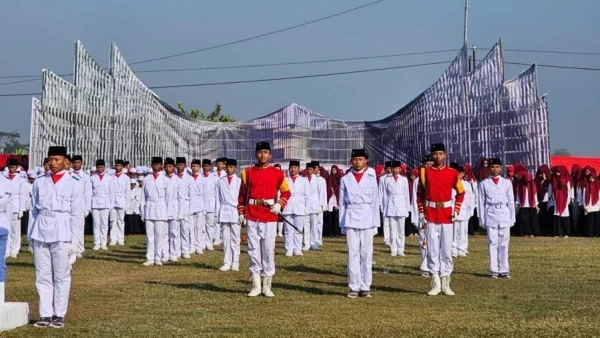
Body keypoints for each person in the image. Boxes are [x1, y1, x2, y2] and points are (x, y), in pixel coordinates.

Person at [29, 146, 82, 328]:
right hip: (41, 229)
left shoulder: (74, 183)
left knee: (61, 275)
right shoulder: (40, 182)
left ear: (65, 162)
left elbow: (76, 215)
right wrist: (30, 237)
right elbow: (33, 211)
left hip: (62, 229)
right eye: (50, 159)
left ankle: (59, 314)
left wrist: (75, 244)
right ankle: (45, 314)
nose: (52, 163)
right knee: (42, 275)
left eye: (57, 159)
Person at [238, 141, 290, 297]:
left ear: (270, 155)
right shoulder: (247, 172)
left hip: (269, 216)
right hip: (253, 214)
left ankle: (267, 285)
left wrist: (279, 204)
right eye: (260, 152)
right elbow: (242, 195)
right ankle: (256, 285)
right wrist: (241, 212)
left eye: (266, 152)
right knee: (253, 250)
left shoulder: (278, 173)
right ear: (256, 154)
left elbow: (286, 193)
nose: (263, 155)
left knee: (268, 251)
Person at [417, 143, 464, 296]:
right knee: (432, 249)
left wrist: (456, 209)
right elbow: (420, 194)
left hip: (447, 214)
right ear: (432, 155)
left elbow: (461, 192)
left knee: (446, 249)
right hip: (431, 214)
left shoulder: (452, 173)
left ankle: (446, 280)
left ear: (445, 155)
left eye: (440, 154)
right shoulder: (425, 172)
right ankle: (435, 280)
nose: (438, 157)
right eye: (435, 154)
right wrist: (422, 213)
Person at [339, 149, 379, 298]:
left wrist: (376, 223)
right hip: (351, 217)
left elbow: (375, 200)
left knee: (366, 254)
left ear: (365, 161)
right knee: (353, 253)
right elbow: (342, 203)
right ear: (351, 161)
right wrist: (342, 224)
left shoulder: (371, 176)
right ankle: (354, 286)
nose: (358, 162)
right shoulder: (345, 179)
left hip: (368, 216)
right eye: (355, 159)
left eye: (360, 159)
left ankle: (366, 286)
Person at [478, 158, 515, 279]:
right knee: (492, 242)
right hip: (491, 212)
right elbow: (481, 203)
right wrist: (481, 219)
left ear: (501, 168)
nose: (495, 169)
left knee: (504, 242)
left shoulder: (506, 183)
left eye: (497, 167)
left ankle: (504, 269)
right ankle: (493, 269)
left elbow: (510, 201)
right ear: (489, 168)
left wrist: (512, 217)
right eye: (493, 167)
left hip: (504, 212)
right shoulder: (484, 183)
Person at [140, 157, 168, 266]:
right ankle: (150, 258)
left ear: (161, 166)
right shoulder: (147, 178)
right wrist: (142, 211)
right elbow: (143, 196)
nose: (156, 167)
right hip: (149, 208)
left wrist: (167, 212)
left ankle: (158, 257)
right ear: (152, 165)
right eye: (154, 165)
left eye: (158, 165)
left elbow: (168, 197)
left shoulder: (165, 179)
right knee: (149, 235)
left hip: (161, 208)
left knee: (159, 235)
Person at [216, 159, 242, 271]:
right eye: (228, 167)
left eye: (232, 167)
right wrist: (218, 213)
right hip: (224, 210)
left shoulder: (239, 181)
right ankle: (227, 262)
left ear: (235, 168)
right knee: (226, 238)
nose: (229, 169)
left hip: (235, 210)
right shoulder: (221, 181)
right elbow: (218, 199)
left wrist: (242, 213)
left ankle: (235, 262)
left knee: (235, 238)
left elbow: (242, 199)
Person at [379, 160, 410, 257]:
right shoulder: (386, 179)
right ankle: (393, 249)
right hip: (391, 204)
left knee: (401, 229)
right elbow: (383, 193)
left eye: (397, 168)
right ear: (391, 169)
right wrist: (382, 205)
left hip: (401, 204)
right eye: (393, 168)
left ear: (400, 169)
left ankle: (401, 249)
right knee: (393, 228)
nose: (395, 170)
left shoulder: (404, 179)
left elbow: (406, 194)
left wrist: (407, 207)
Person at [282, 160, 310, 257]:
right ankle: (288, 249)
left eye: (295, 167)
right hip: (287, 206)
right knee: (288, 229)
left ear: (299, 169)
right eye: (291, 167)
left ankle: (297, 249)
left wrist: (307, 208)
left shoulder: (304, 180)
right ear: (289, 168)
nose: (293, 169)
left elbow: (307, 195)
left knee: (298, 229)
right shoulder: (285, 180)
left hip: (300, 206)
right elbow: (280, 194)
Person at [4, 159, 27, 258]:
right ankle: (7, 249)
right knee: (6, 229)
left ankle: (15, 250)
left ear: (17, 167)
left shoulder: (21, 178)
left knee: (15, 230)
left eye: (13, 167)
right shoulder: (4, 178)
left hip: (16, 206)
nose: (11, 169)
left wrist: (21, 208)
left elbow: (23, 194)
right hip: (6, 207)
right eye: (9, 167)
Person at [449, 163, 473, 258]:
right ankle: (453, 249)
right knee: (453, 231)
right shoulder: (450, 183)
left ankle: (462, 248)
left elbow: (470, 198)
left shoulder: (466, 184)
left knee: (463, 231)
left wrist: (470, 210)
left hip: (463, 210)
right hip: (452, 209)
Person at [70, 155, 91, 257]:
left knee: (80, 227)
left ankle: (80, 248)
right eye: (74, 163)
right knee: (70, 227)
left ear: (82, 163)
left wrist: (87, 208)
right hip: (71, 204)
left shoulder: (86, 176)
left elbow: (88, 193)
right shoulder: (69, 174)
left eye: (78, 163)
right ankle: (71, 247)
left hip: (81, 204)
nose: (76, 164)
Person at [90, 159, 113, 251]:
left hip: (105, 202)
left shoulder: (109, 178)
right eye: (98, 167)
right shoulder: (92, 178)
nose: (99, 169)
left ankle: (103, 242)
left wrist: (110, 205)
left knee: (104, 224)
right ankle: (96, 242)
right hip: (95, 202)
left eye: (101, 167)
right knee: (96, 223)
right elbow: (90, 192)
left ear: (105, 167)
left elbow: (112, 192)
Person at [163, 158, 181, 263]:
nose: (168, 169)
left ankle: (174, 253)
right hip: (164, 208)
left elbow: (180, 197)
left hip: (174, 208)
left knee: (174, 232)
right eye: (166, 166)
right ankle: (165, 253)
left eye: (170, 166)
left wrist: (180, 211)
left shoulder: (178, 180)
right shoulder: (161, 178)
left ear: (174, 167)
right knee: (164, 233)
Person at [109, 160, 131, 246]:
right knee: (112, 220)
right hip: (112, 201)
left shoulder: (126, 178)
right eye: (116, 165)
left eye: (119, 166)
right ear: (115, 166)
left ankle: (120, 239)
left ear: (122, 167)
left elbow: (128, 192)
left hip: (122, 201)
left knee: (121, 221)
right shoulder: (111, 177)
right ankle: (113, 239)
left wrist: (127, 204)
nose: (118, 167)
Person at [548, 166, 573, 238]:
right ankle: (556, 233)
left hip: (564, 202)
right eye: (556, 172)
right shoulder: (553, 180)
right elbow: (551, 191)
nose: (557, 174)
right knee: (557, 217)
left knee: (565, 217)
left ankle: (566, 233)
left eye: (558, 172)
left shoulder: (566, 180)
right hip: (556, 202)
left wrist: (568, 201)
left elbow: (569, 191)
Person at [176, 157, 193, 259]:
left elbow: (192, 196)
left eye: (181, 165)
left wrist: (190, 210)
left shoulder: (189, 178)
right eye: (178, 165)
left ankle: (185, 250)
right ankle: (177, 250)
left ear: (185, 166)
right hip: (175, 206)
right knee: (175, 230)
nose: (179, 167)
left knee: (185, 230)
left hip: (185, 206)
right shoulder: (172, 177)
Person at [305, 162, 326, 251]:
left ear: (314, 170)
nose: (309, 171)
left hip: (315, 204)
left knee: (314, 225)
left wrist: (321, 205)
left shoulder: (319, 180)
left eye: (311, 169)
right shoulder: (304, 179)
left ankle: (314, 243)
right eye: (308, 169)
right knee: (306, 225)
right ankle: (306, 243)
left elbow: (322, 193)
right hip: (306, 205)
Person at [189, 159, 207, 256]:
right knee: (190, 227)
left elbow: (205, 194)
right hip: (191, 204)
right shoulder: (188, 178)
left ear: (199, 167)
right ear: (191, 167)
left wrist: (204, 208)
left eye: (196, 166)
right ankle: (191, 246)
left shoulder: (203, 179)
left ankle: (198, 246)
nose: (195, 168)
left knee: (199, 227)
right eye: (193, 166)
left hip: (200, 204)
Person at [0, 171, 13, 303]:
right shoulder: (7, 183)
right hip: (3, 223)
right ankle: (0, 296)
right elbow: (9, 209)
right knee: (0, 261)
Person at [514, 173, 540, 237]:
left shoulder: (533, 187)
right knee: (524, 220)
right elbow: (518, 197)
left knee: (532, 220)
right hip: (523, 206)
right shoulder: (520, 187)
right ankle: (525, 233)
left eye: (529, 181)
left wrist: (536, 205)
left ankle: (532, 233)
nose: (527, 183)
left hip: (532, 206)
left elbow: (535, 196)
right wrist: (517, 205)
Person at [201, 160, 219, 251]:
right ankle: (202, 243)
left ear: (210, 167)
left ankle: (209, 243)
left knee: (210, 225)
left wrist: (216, 207)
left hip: (211, 205)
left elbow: (217, 194)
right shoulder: (200, 177)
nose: (205, 168)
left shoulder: (214, 178)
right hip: (201, 205)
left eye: (207, 166)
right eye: (204, 166)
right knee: (201, 226)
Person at [578, 168, 600, 237]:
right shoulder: (586, 187)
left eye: (592, 178)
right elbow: (584, 197)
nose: (591, 180)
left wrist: (599, 206)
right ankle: (590, 234)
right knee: (589, 221)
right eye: (590, 178)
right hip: (589, 206)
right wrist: (585, 206)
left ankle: (596, 234)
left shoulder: (598, 187)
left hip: (596, 206)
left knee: (596, 221)